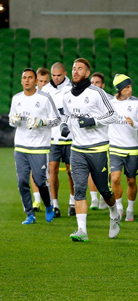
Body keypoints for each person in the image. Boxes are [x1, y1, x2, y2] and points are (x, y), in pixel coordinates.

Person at [62, 58, 119, 242]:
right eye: (73, 68)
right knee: (79, 188)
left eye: (80, 69)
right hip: (77, 149)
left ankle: (113, 212)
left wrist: (93, 121)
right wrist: (65, 126)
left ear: (87, 73)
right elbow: (67, 116)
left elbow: (113, 115)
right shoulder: (67, 95)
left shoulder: (97, 93)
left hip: (98, 149)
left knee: (104, 189)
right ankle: (82, 231)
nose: (75, 71)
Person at [9, 68, 60, 224]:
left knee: (39, 181)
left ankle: (49, 206)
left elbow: (57, 119)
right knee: (22, 181)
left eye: (30, 77)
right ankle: (30, 214)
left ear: (36, 81)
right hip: (21, 146)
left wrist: (42, 122)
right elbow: (12, 121)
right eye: (24, 77)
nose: (26, 80)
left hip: (39, 147)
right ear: (21, 80)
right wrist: (14, 120)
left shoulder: (44, 98)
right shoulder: (16, 98)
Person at [108, 74, 138, 221]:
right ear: (119, 89)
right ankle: (119, 207)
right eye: (126, 87)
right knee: (115, 178)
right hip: (114, 147)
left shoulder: (137, 103)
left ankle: (130, 208)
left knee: (131, 181)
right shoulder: (110, 104)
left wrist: (135, 124)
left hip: (131, 148)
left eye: (130, 86)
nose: (130, 89)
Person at [42, 62, 75, 217]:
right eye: (53, 75)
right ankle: (55, 205)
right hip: (52, 137)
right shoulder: (45, 90)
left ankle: (73, 201)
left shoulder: (72, 88)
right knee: (53, 169)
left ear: (65, 74)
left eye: (59, 75)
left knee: (71, 171)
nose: (55, 78)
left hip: (70, 136)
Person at [89, 72, 114, 210]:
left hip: (107, 138)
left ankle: (104, 196)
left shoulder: (110, 99)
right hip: (90, 139)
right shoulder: (84, 98)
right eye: (92, 82)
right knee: (89, 170)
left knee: (106, 170)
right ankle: (93, 199)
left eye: (97, 82)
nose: (94, 85)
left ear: (103, 85)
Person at [29, 67, 51, 211]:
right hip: (31, 139)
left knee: (46, 172)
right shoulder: (31, 95)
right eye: (40, 81)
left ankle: (50, 202)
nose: (42, 84)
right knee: (33, 171)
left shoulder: (50, 95)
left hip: (47, 139)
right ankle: (36, 201)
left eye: (45, 81)